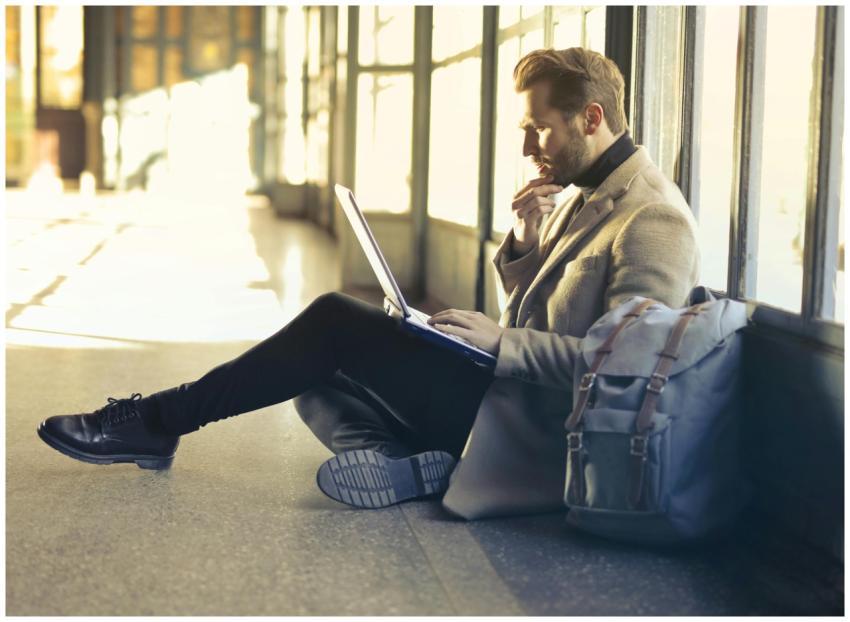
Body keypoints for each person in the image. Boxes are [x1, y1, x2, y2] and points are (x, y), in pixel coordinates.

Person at [37, 47, 699, 515]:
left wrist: (500, 344)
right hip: (501, 394)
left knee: (331, 322)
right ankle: (402, 463)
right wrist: (525, 248)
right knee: (312, 374)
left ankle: (159, 420)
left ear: (590, 118)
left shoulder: (653, 218)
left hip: (537, 434)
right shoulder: (584, 190)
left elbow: (628, 377)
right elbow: (547, 317)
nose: (529, 148)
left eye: (540, 130)